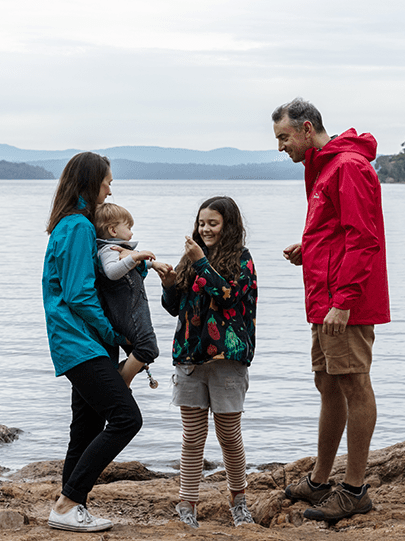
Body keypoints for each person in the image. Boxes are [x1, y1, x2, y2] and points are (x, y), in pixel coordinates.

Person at [272, 98, 390, 522]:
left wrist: (343, 302)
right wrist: (310, 248)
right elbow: (337, 229)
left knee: (355, 384)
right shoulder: (323, 166)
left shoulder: (349, 167)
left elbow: (364, 238)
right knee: (327, 382)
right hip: (323, 299)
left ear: (306, 129)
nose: (281, 147)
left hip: (345, 303)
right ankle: (321, 480)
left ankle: (355, 490)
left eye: (284, 137)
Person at [42, 152, 143, 533]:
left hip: (81, 343)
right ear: (90, 182)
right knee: (126, 418)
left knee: (85, 427)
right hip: (80, 342)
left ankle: (69, 508)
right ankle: (69, 502)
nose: (110, 188)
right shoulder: (77, 227)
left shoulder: (73, 225)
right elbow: (78, 294)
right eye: (106, 182)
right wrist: (115, 334)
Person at [159, 196, 258, 529]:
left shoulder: (242, 260)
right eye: (202, 223)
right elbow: (174, 307)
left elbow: (228, 296)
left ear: (228, 225)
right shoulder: (191, 259)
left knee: (229, 435)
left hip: (228, 360)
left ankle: (239, 501)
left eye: (212, 223)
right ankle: (187, 504)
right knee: (192, 437)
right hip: (189, 358)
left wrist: (200, 262)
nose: (205, 229)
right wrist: (168, 284)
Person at [93, 202, 170, 387]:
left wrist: (152, 264)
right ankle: (121, 382)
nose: (131, 232)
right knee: (147, 346)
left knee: (143, 351)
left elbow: (127, 266)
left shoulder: (119, 249)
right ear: (112, 230)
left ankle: (122, 380)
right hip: (128, 313)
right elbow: (112, 272)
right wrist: (134, 257)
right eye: (128, 227)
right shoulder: (108, 250)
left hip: (132, 311)